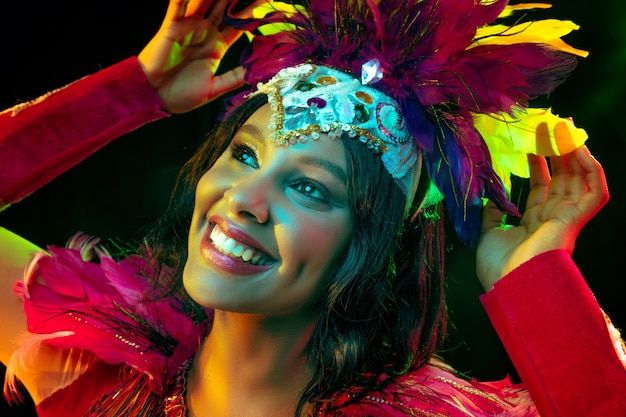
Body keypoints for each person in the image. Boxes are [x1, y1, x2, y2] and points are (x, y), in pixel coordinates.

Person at [1, 0, 625, 416]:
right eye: (245, 156)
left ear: (372, 247)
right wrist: (134, 92)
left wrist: (537, 283)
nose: (244, 201)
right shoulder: (87, 366)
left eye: (310, 189)